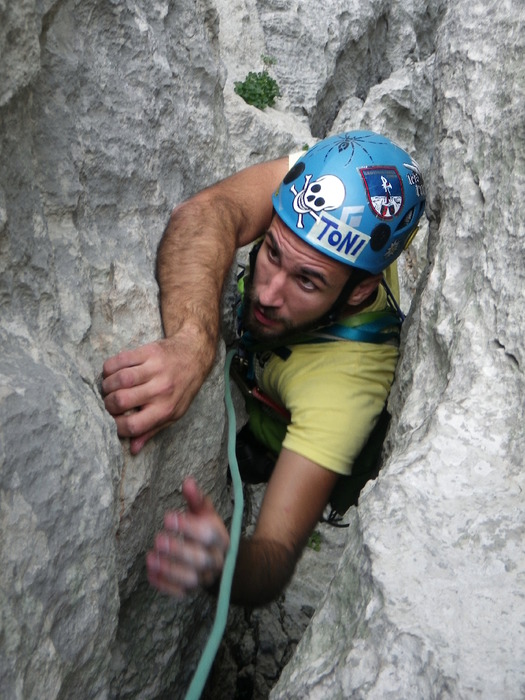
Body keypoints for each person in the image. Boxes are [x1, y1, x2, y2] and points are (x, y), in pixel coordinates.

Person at [102, 131, 426, 606]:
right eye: (272, 252)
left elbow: (272, 561)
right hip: (264, 375)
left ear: (360, 290)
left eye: (307, 281)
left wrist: (226, 566)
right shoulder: (329, 187)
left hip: (275, 439)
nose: (268, 293)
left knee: (256, 457)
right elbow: (207, 212)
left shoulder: (345, 391)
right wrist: (193, 344)